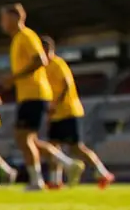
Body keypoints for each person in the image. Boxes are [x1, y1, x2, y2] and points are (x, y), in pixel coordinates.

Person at [0, 3, 77, 191]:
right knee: (27, 139)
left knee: (23, 139)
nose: (1, 23)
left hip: (35, 94)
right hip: (29, 95)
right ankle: (66, 165)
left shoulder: (26, 36)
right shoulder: (17, 39)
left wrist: (14, 77)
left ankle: (38, 181)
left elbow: (39, 60)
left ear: (16, 17)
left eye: (3, 18)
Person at [42, 36, 115, 189]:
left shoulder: (58, 64)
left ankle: (103, 173)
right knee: (53, 147)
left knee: (76, 147)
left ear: (48, 49)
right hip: (55, 114)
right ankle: (56, 181)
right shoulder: (44, 68)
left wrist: (55, 104)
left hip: (69, 111)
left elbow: (66, 85)